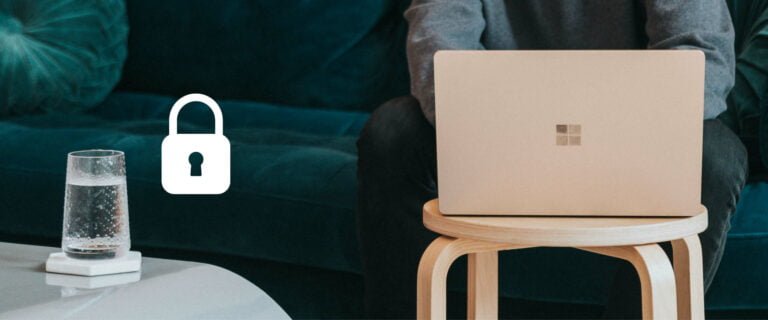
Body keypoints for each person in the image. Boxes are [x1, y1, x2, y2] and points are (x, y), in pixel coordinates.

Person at [356, 1, 749, 318]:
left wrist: (605, 127)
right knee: (392, 131)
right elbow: (437, 45)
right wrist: (519, 129)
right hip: (497, 132)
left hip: (631, 133)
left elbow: (702, 54)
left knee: (716, 157)